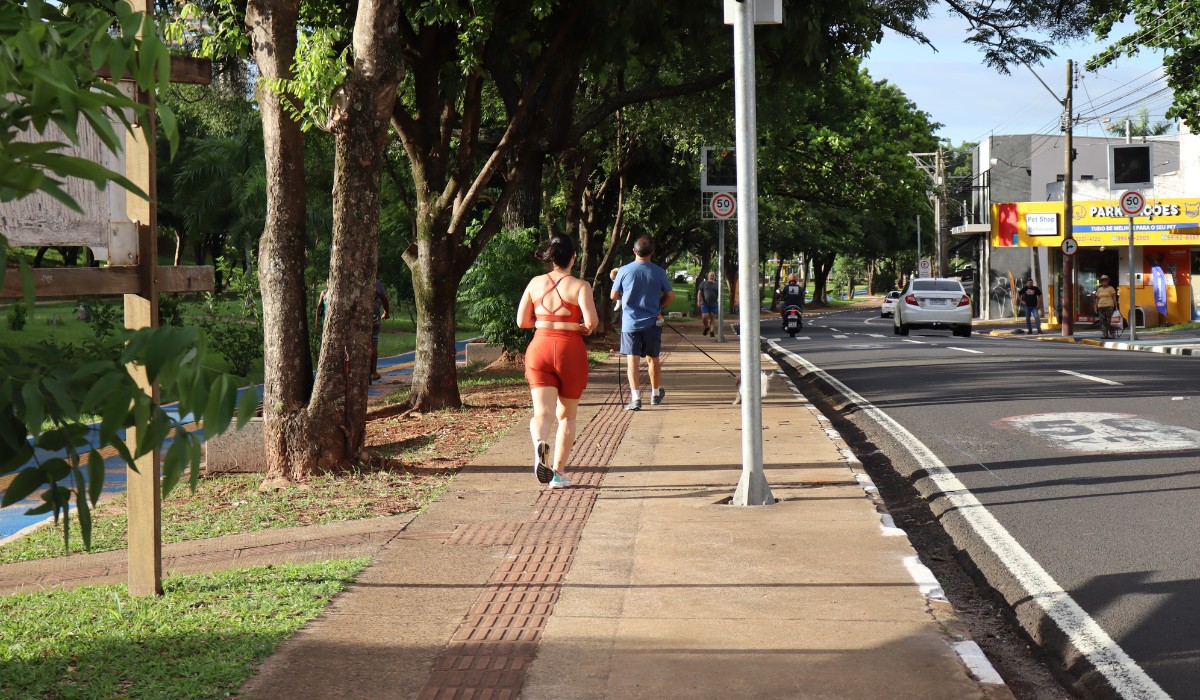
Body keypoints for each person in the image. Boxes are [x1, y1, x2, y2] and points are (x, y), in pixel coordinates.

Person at [517, 236, 598, 489]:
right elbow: (591, 322)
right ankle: (557, 474)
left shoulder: (535, 283)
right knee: (567, 416)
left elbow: (522, 321)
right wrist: (582, 327)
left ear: (551, 258)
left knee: (542, 413)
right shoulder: (580, 286)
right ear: (574, 257)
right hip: (569, 351)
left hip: (539, 348)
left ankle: (539, 443)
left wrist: (544, 321)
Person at [611, 236, 675, 411]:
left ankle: (636, 398)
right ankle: (655, 394)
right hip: (652, 322)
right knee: (653, 359)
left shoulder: (624, 270)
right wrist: (658, 306)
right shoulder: (658, 272)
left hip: (630, 323)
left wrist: (626, 297)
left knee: (632, 360)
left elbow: (613, 295)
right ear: (652, 252)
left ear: (634, 251)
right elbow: (670, 296)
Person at [315, 279, 390, 381]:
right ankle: (373, 372)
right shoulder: (375, 282)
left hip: (354, 318)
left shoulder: (350, 279)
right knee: (373, 344)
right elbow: (384, 299)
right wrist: (386, 312)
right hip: (372, 316)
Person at [1095, 274, 1119, 339]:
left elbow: (1114, 298)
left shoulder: (1111, 288)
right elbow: (1097, 298)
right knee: (1102, 321)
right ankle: (1105, 334)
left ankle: (1112, 334)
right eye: (1103, 281)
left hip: (1109, 306)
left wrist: (1116, 306)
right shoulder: (1099, 289)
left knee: (1110, 321)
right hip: (1101, 306)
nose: (1104, 282)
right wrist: (1095, 306)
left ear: (1108, 281)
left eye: (1105, 280)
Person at [696, 271, 720, 336]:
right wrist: (698, 301)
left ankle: (712, 332)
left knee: (712, 317)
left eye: (713, 276)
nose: (712, 277)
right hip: (705, 303)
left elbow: (720, 294)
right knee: (704, 317)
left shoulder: (717, 285)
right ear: (708, 276)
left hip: (713, 304)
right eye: (711, 275)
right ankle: (706, 327)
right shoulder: (703, 283)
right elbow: (699, 292)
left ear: (715, 277)